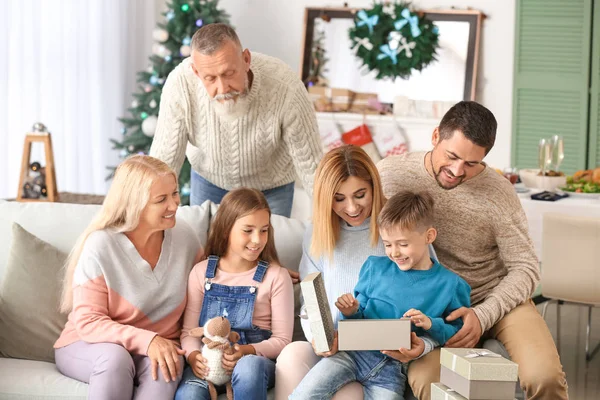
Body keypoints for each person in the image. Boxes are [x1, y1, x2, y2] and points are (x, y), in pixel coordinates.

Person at [377, 101, 568, 399]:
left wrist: (483, 314)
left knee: (544, 377)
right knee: (427, 380)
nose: (456, 171)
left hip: (495, 296)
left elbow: (526, 267)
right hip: (435, 304)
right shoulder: (391, 174)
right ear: (435, 135)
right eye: (452, 156)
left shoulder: (498, 192)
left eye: (471, 163)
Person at [275, 146, 437, 399]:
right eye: (339, 199)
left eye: (360, 195)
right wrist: (319, 337)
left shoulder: (398, 227)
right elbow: (309, 299)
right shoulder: (317, 232)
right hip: (338, 350)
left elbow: (434, 288)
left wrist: (421, 344)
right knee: (292, 355)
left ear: (373, 187)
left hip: (387, 355)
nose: (351, 208)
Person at [289, 191, 471, 399]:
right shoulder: (374, 268)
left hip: (392, 369)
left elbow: (456, 332)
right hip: (351, 355)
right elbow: (360, 318)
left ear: (429, 236)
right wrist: (352, 311)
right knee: (303, 395)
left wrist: (431, 324)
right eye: (387, 244)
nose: (394, 253)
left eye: (403, 244)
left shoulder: (451, 284)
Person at [54, 155, 204, 400]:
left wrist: (270, 270)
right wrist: (148, 340)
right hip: (90, 344)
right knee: (115, 358)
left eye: (175, 194)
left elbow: (214, 279)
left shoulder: (185, 237)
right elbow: (89, 321)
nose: (174, 205)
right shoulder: (101, 245)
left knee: (168, 367)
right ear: (135, 204)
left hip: (158, 348)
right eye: (161, 199)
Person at [149, 23, 322, 217]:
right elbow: (163, 162)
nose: (222, 89)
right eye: (210, 79)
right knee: (206, 245)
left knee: (272, 246)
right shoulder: (179, 85)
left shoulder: (285, 86)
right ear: (196, 73)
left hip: (272, 187)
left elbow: (312, 166)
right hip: (209, 181)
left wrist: (333, 224)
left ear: (246, 59)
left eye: (228, 74)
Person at [175, 187, 294, 400]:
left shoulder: (277, 277)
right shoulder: (201, 272)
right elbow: (188, 332)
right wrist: (194, 357)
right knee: (190, 393)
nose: (257, 239)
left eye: (264, 230)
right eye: (248, 230)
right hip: (208, 363)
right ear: (225, 229)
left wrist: (246, 351)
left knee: (248, 369)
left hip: (255, 362)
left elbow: (282, 340)